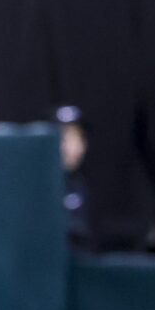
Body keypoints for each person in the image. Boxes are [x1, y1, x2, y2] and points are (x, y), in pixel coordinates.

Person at [52, 105, 93, 252]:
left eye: (77, 137)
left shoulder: (87, 186)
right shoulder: (37, 186)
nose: (71, 147)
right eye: (63, 138)